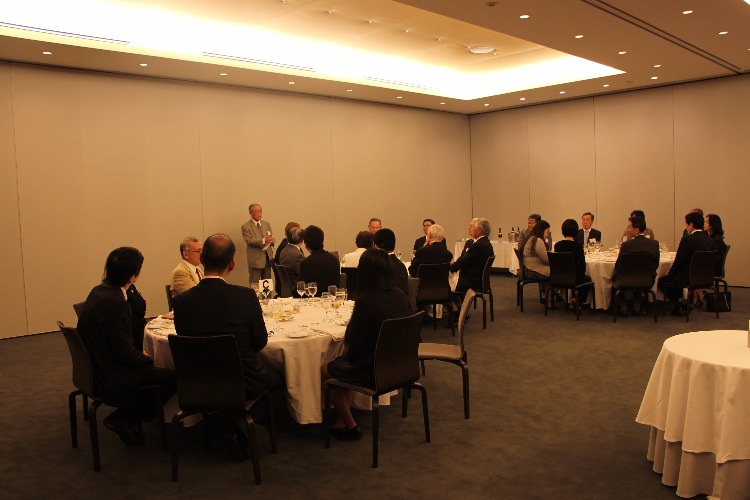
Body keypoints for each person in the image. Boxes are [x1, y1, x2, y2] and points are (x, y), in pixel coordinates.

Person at [173, 234, 284, 461]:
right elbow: (260, 342)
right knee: (279, 379)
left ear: (202, 259)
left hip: (195, 382)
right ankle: (241, 430)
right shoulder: (244, 297)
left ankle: (226, 423)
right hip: (242, 381)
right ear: (232, 263)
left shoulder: (182, 302)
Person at [77, 247, 176, 446]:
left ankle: (131, 415)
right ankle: (125, 416)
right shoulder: (116, 303)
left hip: (95, 367)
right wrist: (149, 359)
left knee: (157, 369)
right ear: (133, 275)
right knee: (174, 376)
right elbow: (124, 353)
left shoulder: (99, 291)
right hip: (111, 374)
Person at [321, 248, 410, 440]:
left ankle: (351, 425)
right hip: (399, 365)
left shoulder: (366, 300)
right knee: (346, 363)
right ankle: (339, 422)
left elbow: (355, 343)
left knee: (327, 369)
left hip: (373, 370)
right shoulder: (399, 294)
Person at [658, 211, 716, 314]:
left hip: (688, 277)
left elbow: (679, 261)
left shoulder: (687, 240)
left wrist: (670, 272)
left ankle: (680, 302)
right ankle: (687, 299)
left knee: (662, 281)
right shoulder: (709, 240)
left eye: (686, 224)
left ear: (691, 225)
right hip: (705, 276)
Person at [612, 216, 659, 315]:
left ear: (636, 230)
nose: (627, 230)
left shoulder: (626, 245)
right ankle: (637, 304)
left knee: (613, 277)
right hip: (647, 280)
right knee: (638, 276)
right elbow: (656, 264)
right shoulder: (654, 244)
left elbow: (618, 266)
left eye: (629, 227)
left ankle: (622, 306)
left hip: (626, 280)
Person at [450, 218, 494, 296]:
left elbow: (464, 261)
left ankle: (459, 307)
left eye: (471, 226)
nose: (469, 228)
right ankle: (459, 305)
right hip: (473, 277)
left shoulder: (479, 245)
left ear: (479, 230)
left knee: (443, 287)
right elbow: (462, 258)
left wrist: (451, 267)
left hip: (471, 281)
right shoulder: (474, 242)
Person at [554, 219, 591, 308]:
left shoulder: (557, 245)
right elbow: (582, 265)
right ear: (576, 231)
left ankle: (573, 300)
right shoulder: (577, 246)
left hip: (559, 276)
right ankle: (576, 300)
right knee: (587, 279)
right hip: (573, 278)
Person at [297, 225, 340, 295]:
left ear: (306, 245)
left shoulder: (307, 263)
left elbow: (301, 290)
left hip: (314, 302)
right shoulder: (334, 260)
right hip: (332, 300)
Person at [520, 220, 553, 307]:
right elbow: (546, 260)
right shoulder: (537, 240)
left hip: (527, 268)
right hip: (533, 270)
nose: (547, 235)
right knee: (560, 273)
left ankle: (548, 296)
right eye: (547, 232)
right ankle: (549, 298)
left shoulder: (531, 238)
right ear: (542, 231)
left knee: (557, 272)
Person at [241, 203, 275, 286]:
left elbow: (270, 235)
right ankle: (254, 299)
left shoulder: (266, 224)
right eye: (256, 211)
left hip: (267, 258)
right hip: (255, 259)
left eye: (260, 211)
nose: (259, 213)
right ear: (250, 213)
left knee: (267, 285)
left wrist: (272, 240)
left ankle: (267, 299)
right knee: (254, 284)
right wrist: (264, 240)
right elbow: (249, 240)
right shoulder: (246, 227)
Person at [373, 228, 409, 301]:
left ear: (376, 246)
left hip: (383, 308)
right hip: (402, 307)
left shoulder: (376, 265)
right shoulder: (401, 265)